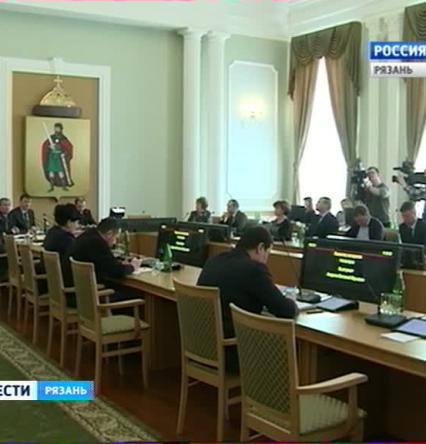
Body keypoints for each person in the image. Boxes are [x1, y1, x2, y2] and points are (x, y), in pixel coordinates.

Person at [197, 226, 298, 372]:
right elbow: (285, 311)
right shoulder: (254, 269)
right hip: (234, 353)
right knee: (286, 345)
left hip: (203, 346)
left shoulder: (213, 260)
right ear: (260, 248)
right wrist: (291, 300)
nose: (266, 260)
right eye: (267, 253)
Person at [65, 217, 138, 287]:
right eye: (116, 238)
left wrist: (119, 263)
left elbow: (106, 262)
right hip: (83, 290)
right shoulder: (97, 243)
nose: (115, 242)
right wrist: (132, 266)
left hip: (75, 286)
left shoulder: (88, 234)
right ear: (109, 234)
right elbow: (115, 271)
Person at [42, 122, 74, 192]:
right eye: (55, 128)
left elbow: (69, 147)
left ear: (61, 129)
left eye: (58, 128)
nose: (56, 130)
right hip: (52, 158)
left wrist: (63, 152)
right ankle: (51, 187)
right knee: (51, 174)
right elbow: (45, 145)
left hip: (59, 159)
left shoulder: (63, 138)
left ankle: (63, 187)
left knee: (61, 173)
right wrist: (49, 146)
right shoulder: (51, 137)